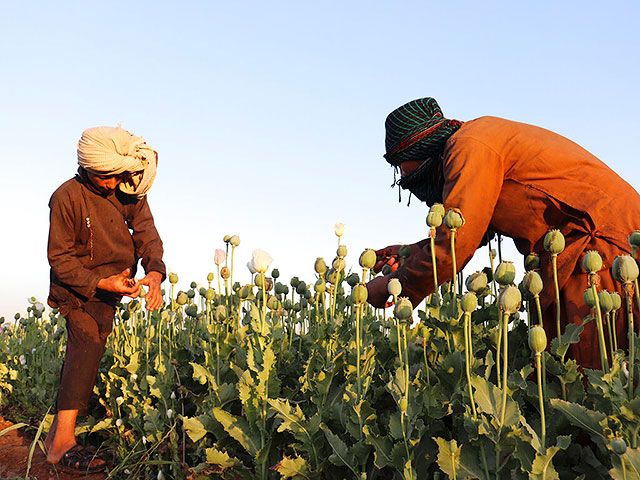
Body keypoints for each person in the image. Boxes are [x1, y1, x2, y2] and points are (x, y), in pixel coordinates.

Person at [366, 97, 640, 369]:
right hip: (578, 249)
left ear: (419, 146)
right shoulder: (472, 141)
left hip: (603, 245)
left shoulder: (469, 146)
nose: (402, 176)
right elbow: (474, 227)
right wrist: (410, 253)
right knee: (563, 366)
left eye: (399, 165)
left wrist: (395, 287)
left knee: (596, 372)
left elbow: (458, 242)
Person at [44, 125, 166, 472]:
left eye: (117, 176)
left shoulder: (128, 191)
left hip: (112, 288)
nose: (112, 183)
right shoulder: (66, 196)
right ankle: (61, 446)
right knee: (86, 343)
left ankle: (56, 436)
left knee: (88, 352)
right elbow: (60, 258)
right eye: (104, 177)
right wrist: (101, 281)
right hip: (76, 287)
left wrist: (155, 272)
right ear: (86, 169)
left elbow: (148, 235)